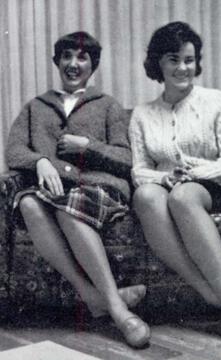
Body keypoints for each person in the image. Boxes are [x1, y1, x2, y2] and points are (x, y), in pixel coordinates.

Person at [129, 21, 221, 348]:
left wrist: (194, 173)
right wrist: (164, 177)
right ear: (158, 62)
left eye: (189, 60)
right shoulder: (142, 114)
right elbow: (140, 171)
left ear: (197, 62)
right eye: (173, 59)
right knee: (145, 195)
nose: (183, 68)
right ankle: (213, 295)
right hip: (170, 186)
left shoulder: (217, 101)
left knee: (182, 196)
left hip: (218, 187)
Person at [6, 31, 150, 348]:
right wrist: (42, 161)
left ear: (92, 65)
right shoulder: (35, 107)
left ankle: (115, 308)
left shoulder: (108, 106)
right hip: (55, 194)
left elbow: (127, 159)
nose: (74, 63)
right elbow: (14, 151)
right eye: (67, 56)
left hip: (101, 188)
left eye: (82, 57)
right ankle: (95, 298)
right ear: (57, 62)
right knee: (28, 204)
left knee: (68, 207)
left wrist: (88, 147)